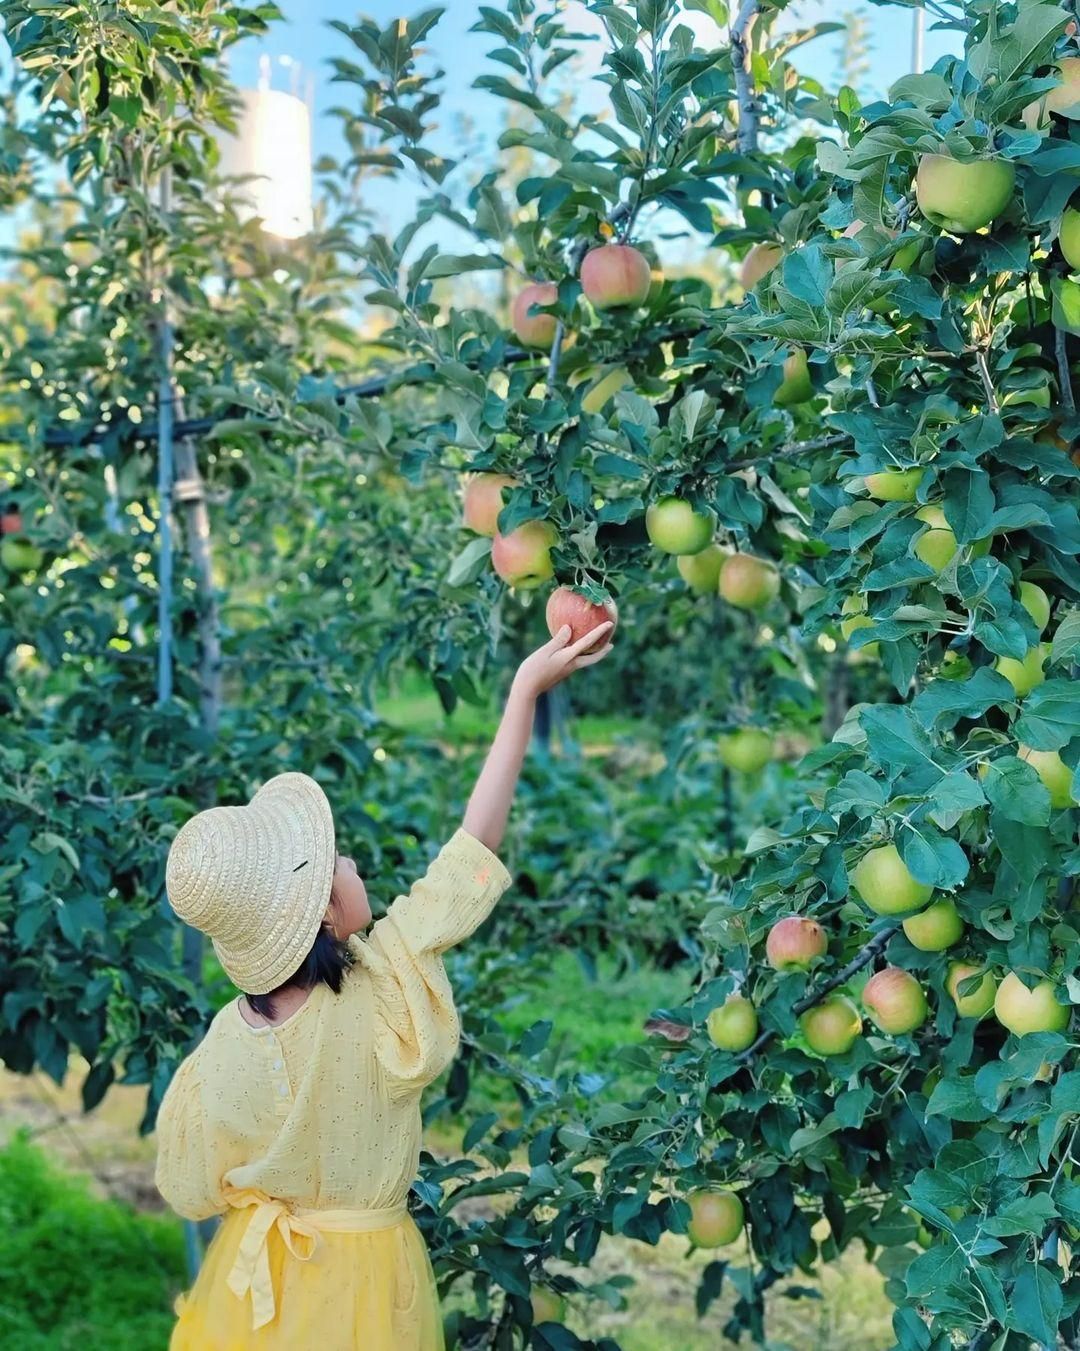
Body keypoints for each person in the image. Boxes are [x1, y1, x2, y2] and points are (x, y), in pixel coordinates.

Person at [154, 619, 615, 1350]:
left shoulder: (219, 1045)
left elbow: (190, 1182)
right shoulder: (382, 986)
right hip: (366, 1290)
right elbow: (472, 849)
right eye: (341, 862)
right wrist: (522, 691)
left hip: (254, 1298)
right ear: (326, 916)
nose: (354, 864)